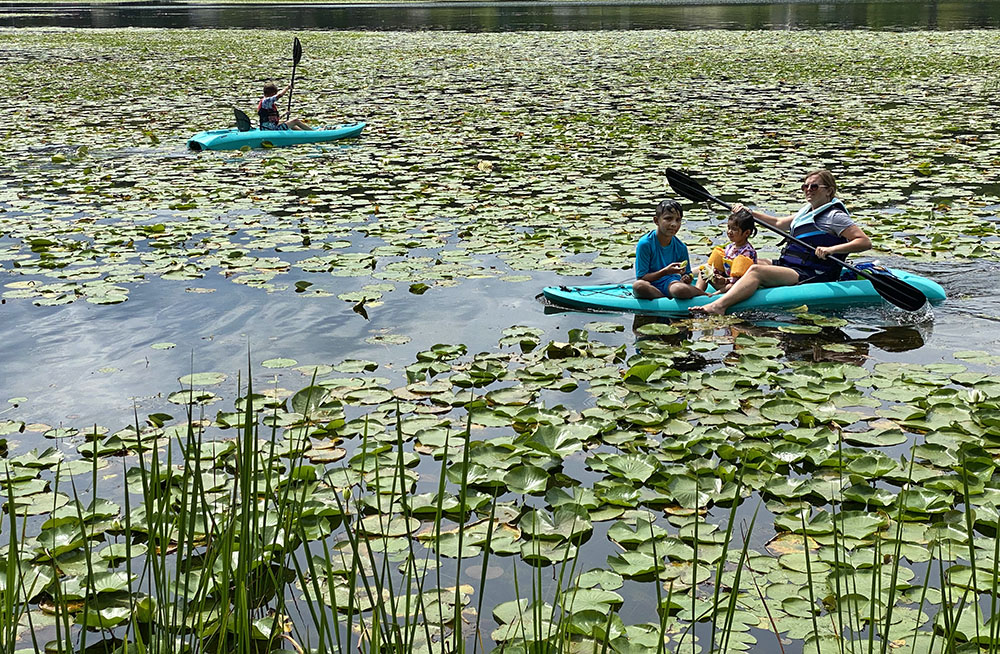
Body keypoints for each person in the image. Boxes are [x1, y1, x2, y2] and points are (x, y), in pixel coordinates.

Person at [690, 169, 872, 315]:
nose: (808, 190)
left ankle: (719, 305)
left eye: (814, 187)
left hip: (812, 273)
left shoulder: (835, 216)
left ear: (829, 191)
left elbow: (864, 242)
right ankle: (684, 276)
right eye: (805, 186)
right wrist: (748, 213)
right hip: (789, 265)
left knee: (755, 270)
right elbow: (778, 223)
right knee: (738, 259)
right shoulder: (807, 211)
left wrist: (832, 249)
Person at [632, 200, 706, 300]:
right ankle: (665, 299)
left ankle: (705, 296)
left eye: (678, 220)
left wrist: (687, 278)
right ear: (656, 221)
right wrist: (665, 271)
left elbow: (687, 274)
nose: (674, 224)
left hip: (672, 284)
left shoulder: (681, 247)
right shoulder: (645, 244)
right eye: (668, 219)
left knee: (679, 289)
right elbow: (641, 277)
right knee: (638, 286)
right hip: (650, 285)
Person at [695, 208, 759, 295]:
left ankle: (715, 295)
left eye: (734, 229)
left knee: (732, 286)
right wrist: (716, 275)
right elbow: (721, 268)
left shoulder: (748, 252)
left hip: (739, 284)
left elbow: (741, 279)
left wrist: (725, 280)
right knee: (704, 271)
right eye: (728, 228)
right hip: (725, 281)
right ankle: (697, 292)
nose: (729, 232)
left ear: (747, 233)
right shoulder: (729, 247)